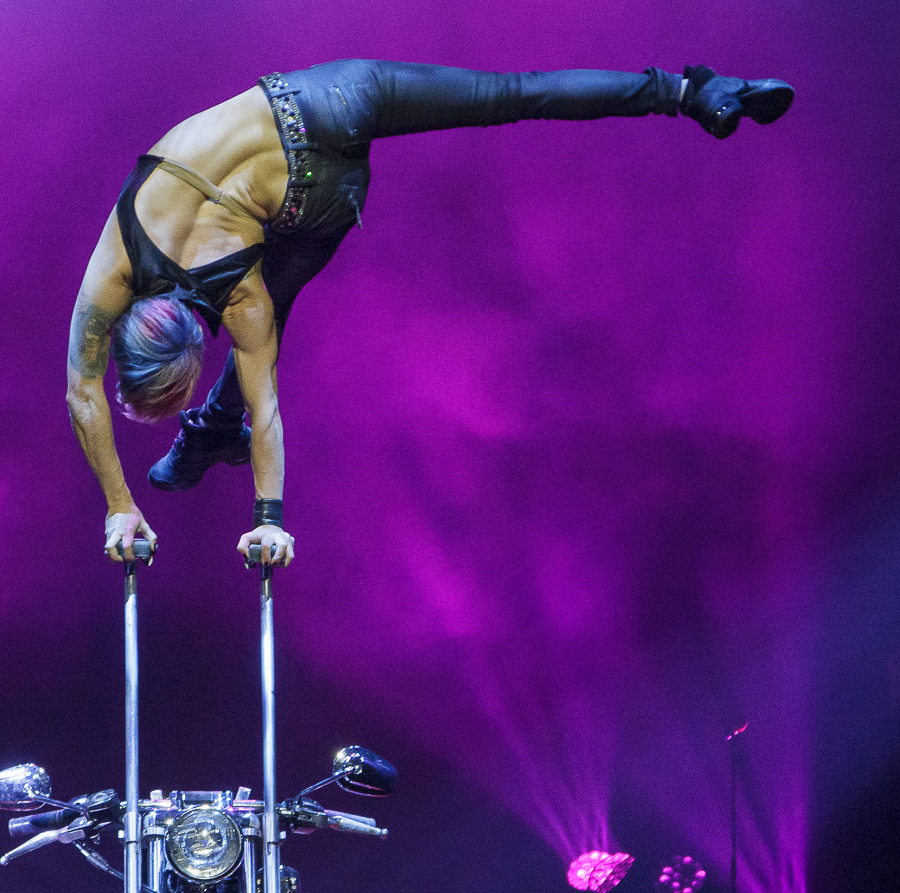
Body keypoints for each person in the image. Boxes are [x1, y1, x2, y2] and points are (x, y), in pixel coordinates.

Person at [65, 59, 793, 566]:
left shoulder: (241, 299)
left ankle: (210, 431)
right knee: (512, 92)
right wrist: (260, 520)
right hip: (333, 95)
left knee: (270, 315)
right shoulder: (122, 254)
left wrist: (129, 506)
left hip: (314, 204)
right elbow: (90, 387)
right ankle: (697, 91)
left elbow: (95, 392)